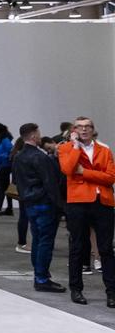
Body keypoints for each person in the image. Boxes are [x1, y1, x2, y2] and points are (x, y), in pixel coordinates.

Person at [56, 116, 115, 307]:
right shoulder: (66, 149)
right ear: (74, 130)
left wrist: (84, 173)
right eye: (80, 127)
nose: (84, 129)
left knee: (106, 249)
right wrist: (75, 147)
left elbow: (110, 177)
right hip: (78, 203)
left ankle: (112, 292)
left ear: (93, 129)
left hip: (103, 202)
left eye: (88, 126)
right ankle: (76, 289)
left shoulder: (104, 149)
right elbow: (68, 169)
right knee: (78, 247)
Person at [12, 123, 66, 293]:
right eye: (39, 133)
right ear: (34, 136)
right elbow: (51, 183)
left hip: (29, 203)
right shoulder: (40, 157)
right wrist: (60, 206)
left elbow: (16, 181)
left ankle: (39, 274)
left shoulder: (18, 157)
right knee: (45, 242)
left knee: (37, 239)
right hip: (44, 204)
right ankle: (41, 278)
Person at [0, 123, 16, 215]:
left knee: (2, 188)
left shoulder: (5, 140)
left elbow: (12, 150)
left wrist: (4, 157)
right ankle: (9, 208)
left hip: (5, 166)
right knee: (5, 187)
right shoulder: (0, 140)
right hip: (2, 166)